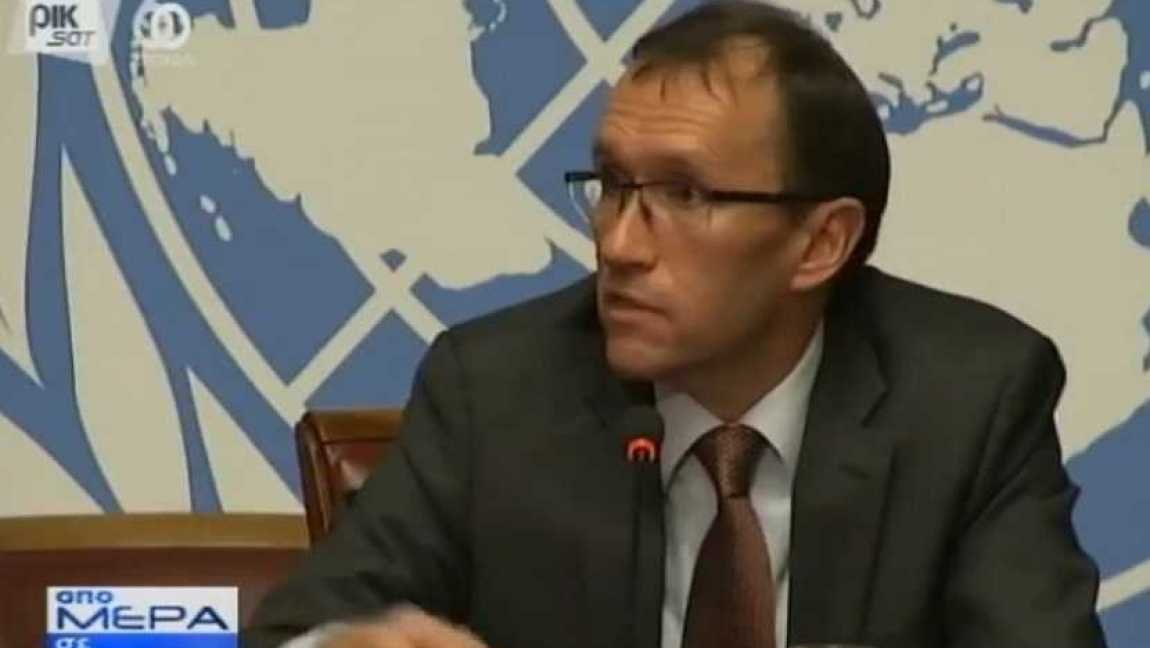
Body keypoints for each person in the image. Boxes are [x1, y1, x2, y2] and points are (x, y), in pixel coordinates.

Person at [243, 2, 1107, 647]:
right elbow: (299, 629)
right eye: (614, 185)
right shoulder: (497, 390)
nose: (619, 244)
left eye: (685, 194)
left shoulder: (968, 400)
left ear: (821, 243)